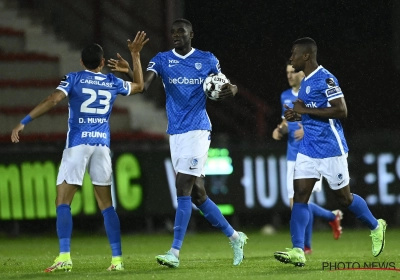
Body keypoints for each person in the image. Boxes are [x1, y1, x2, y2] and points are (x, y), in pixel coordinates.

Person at [107, 18, 248, 268]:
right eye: (172, 32)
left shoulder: (207, 59)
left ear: (191, 34)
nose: (175, 35)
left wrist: (233, 90)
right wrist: (134, 61)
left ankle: (174, 252)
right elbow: (142, 85)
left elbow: (226, 85)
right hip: (176, 133)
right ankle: (236, 237)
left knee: (182, 187)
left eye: (180, 32)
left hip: (198, 130)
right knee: (198, 194)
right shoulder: (162, 60)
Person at [11, 31, 149, 272]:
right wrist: (134, 57)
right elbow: (139, 86)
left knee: (63, 200)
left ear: (82, 62)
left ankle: (64, 256)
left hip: (78, 144)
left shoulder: (73, 78)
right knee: (106, 205)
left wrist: (24, 121)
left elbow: (53, 99)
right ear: (103, 62)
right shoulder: (111, 81)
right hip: (102, 146)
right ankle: (117, 261)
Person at [273, 37, 386, 267]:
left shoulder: (326, 78)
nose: (291, 58)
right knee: (300, 198)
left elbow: (341, 110)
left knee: (344, 198)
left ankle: (376, 226)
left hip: (330, 148)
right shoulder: (304, 83)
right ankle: (298, 249)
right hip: (307, 150)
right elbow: (308, 112)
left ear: (306, 56)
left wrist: (304, 110)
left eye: (294, 54)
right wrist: (298, 116)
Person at [272, 62, 343, 254]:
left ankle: (306, 246)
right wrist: (280, 130)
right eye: (286, 72)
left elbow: (328, 116)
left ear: (301, 74)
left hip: (312, 152)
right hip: (292, 154)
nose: (289, 76)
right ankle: (331, 217)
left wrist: (307, 129)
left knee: (300, 201)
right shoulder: (285, 96)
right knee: (297, 203)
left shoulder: (311, 91)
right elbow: (286, 121)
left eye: (292, 72)